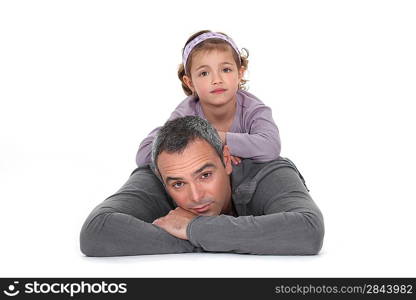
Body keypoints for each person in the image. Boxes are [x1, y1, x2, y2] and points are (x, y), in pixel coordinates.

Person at [80, 116, 324, 256]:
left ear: (227, 160)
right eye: (178, 184)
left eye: (205, 175)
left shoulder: (268, 171)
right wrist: (223, 239)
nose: (195, 196)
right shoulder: (157, 174)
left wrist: (193, 229)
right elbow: (97, 231)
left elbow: (308, 230)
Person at [136, 30, 281, 167]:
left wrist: (214, 138)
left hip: (248, 179)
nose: (217, 80)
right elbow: (144, 155)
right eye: (204, 73)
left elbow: (271, 147)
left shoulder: (253, 109)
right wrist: (214, 151)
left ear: (240, 74)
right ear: (190, 82)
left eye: (226, 70)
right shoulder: (186, 113)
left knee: (280, 166)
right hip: (201, 183)